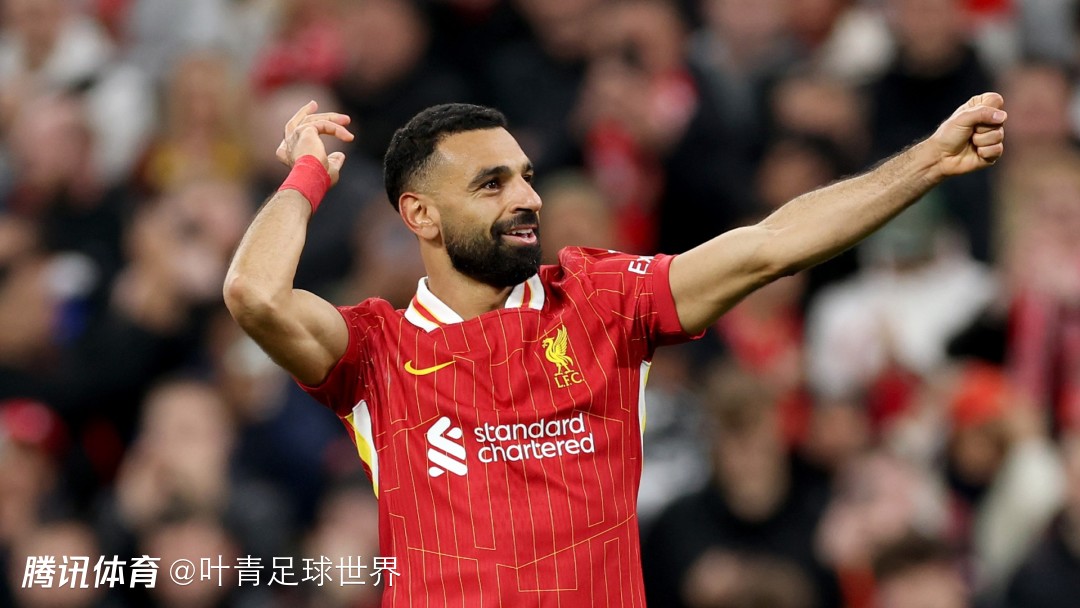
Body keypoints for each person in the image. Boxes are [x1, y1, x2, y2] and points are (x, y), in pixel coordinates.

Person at [223, 92, 1006, 605]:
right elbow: (254, 294)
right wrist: (306, 177)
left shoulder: (601, 302)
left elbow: (769, 247)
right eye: (492, 184)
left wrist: (928, 161)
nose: (528, 198)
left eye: (526, 177)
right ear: (420, 215)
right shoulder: (376, 351)